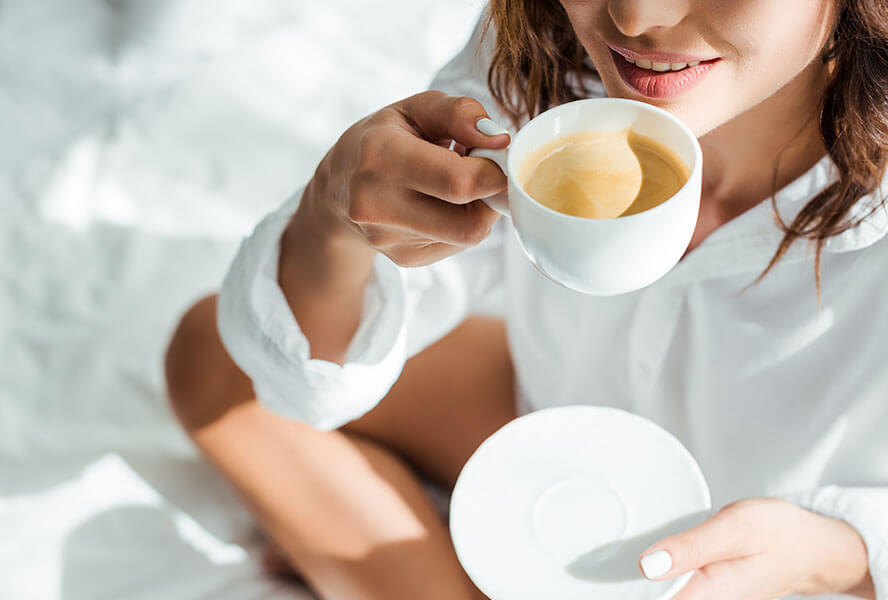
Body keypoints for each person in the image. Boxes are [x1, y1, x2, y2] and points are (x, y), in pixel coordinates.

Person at [165, 1, 888, 598]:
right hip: (560, 430)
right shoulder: (546, 50)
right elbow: (301, 368)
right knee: (216, 357)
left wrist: (842, 553)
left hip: (773, 553)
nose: (635, 18)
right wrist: (335, 224)